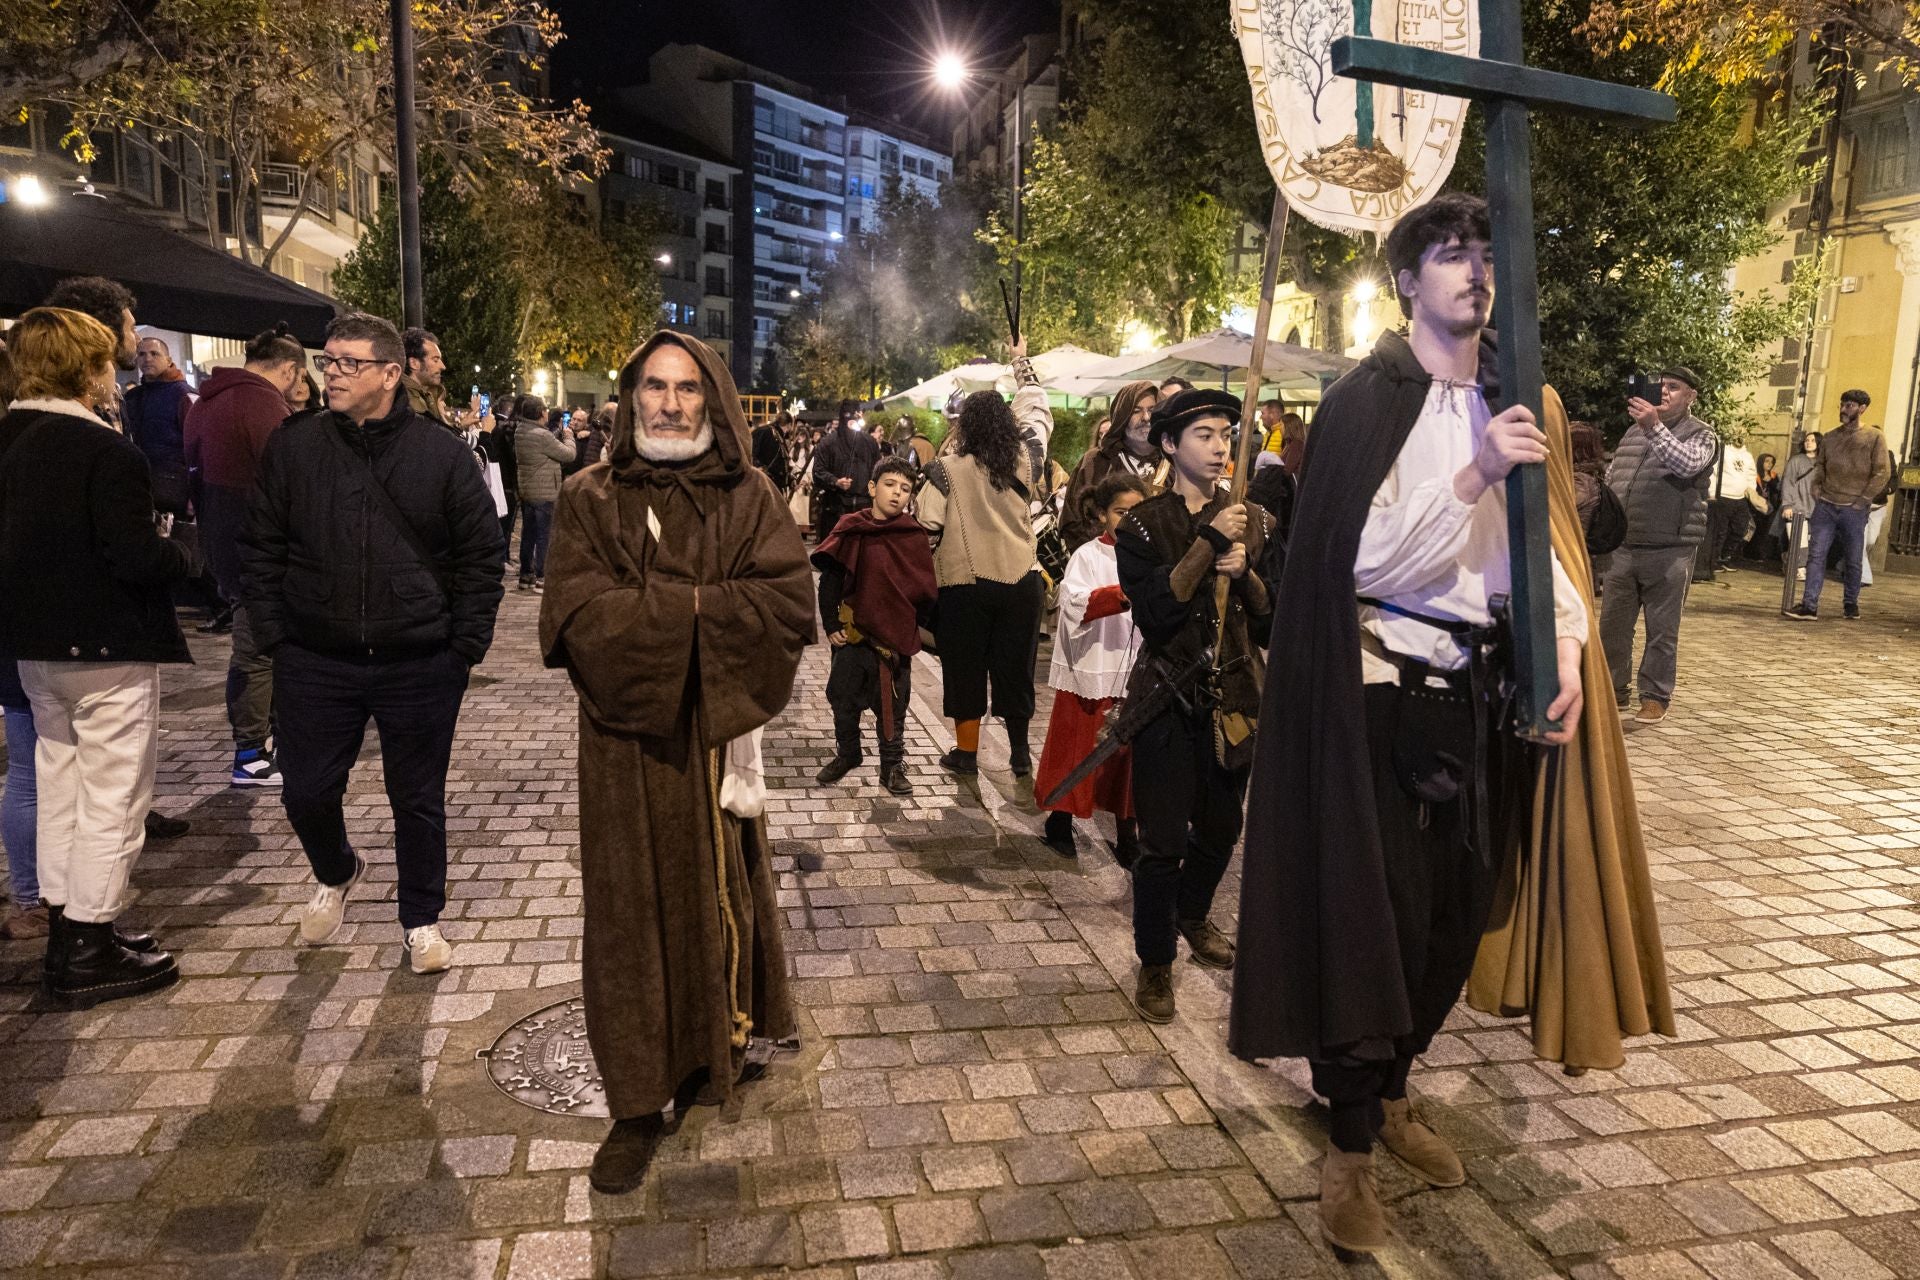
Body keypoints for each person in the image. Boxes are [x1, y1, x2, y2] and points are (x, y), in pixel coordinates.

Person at [1227, 193, 1593, 1252]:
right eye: (1448, 253)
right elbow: (1364, 561)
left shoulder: (1516, 399)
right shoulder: (1362, 401)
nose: (1473, 269)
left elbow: (1539, 553)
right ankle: (1347, 1154)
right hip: (1377, 703)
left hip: (1479, 705)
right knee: (1367, 921)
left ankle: (1392, 1093)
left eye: (1484, 252)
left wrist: (1565, 641)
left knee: (1450, 919)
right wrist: (1478, 469)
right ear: (1404, 282)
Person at [539, 330, 813, 1195]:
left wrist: (666, 610)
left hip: (715, 739)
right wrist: (701, 615)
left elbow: (784, 603)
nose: (669, 403)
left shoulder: (752, 493)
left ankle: (707, 1054)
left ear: (713, 400)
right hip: (624, 746)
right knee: (630, 914)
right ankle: (632, 1103)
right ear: (631, 397)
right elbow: (577, 618)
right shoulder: (590, 496)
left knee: (717, 896)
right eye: (654, 387)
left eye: (688, 389)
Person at [241, 312, 504, 976]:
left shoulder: (441, 454)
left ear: (391, 373)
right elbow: (263, 546)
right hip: (315, 654)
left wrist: (461, 649)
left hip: (418, 659)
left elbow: (480, 557)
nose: (331, 373)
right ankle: (338, 868)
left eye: (348, 363)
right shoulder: (294, 446)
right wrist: (277, 635)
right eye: (327, 361)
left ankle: (421, 921)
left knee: (416, 798)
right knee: (305, 789)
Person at [0, 306, 191, 1006]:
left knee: (61, 785)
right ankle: (88, 940)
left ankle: (69, 926)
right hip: (105, 645)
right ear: (89, 368)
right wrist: (182, 554)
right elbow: (136, 557)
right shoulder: (104, 451)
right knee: (113, 796)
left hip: (31, 646)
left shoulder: (9, 437)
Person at [1114, 391, 1275, 1024]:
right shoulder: (1143, 524)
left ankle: (1193, 915)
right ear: (1170, 445)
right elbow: (1156, 612)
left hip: (1235, 696)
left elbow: (1270, 619)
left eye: (1226, 435)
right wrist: (1209, 541)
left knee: (1220, 828)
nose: (1218, 447)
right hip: (1166, 697)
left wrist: (1248, 573)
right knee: (1160, 842)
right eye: (1204, 434)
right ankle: (1155, 963)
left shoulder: (1255, 521)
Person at [40, 277, 192, 843]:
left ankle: (58, 907)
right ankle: (78, 923)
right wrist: (178, 559)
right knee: (94, 788)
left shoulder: (105, 411)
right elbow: (124, 547)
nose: (139, 339)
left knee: (61, 777)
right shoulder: (88, 435)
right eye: (131, 328)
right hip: (96, 628)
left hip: (53, 629)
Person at [917, 341, 1054, 777]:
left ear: (966, 427)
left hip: (964, 585)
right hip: (1022, 581)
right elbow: (1038, 412)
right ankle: (1019, 754)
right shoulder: (1028, 457)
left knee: (965, 669)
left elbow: (927, 526)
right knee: (1017, 669)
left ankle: (967, 753)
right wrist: (1021, 362)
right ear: (1007, 422)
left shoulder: (945, 468)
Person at [186, 324, 307, 786]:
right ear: (292, 370)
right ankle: (251, 754)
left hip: (222, 540)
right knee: (257, 650)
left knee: (257, 645)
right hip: (259, 549)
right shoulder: (260, 403)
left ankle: (264, 743)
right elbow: (289, 479)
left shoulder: (208, 401)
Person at [1034, 473, 1150, 863]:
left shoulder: (1153, 555)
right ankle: (1060, 821)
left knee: (1127, 758)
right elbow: (1072, 604)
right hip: (1092, 667)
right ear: (1102, 514)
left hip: (1133, 668)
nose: (1130, 519)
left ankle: (1127, 832)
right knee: (1078, 749)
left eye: (1138, 511)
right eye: (1121, 512)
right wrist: (1118, 596)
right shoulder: (1088, 555)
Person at [812, 458, 938, 797]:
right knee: (842, 698)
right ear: (872, 487)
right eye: (890, 484)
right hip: (854, 636)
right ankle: (848, 754)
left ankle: (892, 767)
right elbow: (831, 579)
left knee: (892, 707)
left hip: (893, 640)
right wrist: (831, 622)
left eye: (905, 489)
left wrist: (911, 625)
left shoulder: (912, 535)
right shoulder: (852, 527)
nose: (897, 493)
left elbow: (924, 591)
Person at [1598, 366, 1713, 726]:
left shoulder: (1703, 435)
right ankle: (1612, 692)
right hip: (1625, 546)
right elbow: (1612, 478)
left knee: (1662, 630)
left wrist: (1654, 427)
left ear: (1691, 396)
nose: (1664, 392)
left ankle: (1654, 697)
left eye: (1674, 387)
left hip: (1670, 547)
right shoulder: (1633, 433)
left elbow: (1686, 465)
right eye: (1660, 386)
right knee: (1613, 626)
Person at [1786, 390, 1891, 621]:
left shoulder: (1874, 437)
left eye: (1850, 405)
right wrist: (1817, 488)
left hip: (1854, 508)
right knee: (1816, 555)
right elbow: (1820, 465)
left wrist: (1863, 500)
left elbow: (1882, 471)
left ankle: (1850, 604)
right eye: (1842, 404)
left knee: (1853, 557)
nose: (1844, 409)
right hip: (1826, 505)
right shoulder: (1831, 437)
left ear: (1862, 408)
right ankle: (1809, 605)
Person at [1060, 381, 1162, 550]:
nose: (1146, 418)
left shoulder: (1175, 461)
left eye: (1152, 410)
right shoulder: (1097, 461)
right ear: (1122, 416)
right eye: (1136, 411)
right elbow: (1073, 520)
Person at [124, 336, 196, 515]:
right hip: (140, 487)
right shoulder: (133, 397)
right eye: (142, 354)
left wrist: (194, 495)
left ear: (169, 360)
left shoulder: (185, 396)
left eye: (154, 353)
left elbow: (200, 448)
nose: (147, 358)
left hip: (175, 490)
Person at [512, 395, 575, 592]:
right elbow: (568, 454)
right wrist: (569, 437)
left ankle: (526, 575)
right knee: (544, 536)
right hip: (545, 492)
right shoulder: (542, 435)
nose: (547, 412)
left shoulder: (521, 431)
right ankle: (542, 576)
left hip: (528, 490)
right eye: (545, 409)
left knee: (528, 534)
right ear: (541, 413)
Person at [811, 400, 881, 545]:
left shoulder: (870, 443)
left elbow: (878, 470)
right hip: (836, 507)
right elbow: (818, 471)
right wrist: (835, 481)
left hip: (864, 507)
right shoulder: (828, 442)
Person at [1695, 436, 1757, 581]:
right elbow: (1715, 471)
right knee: (1720, 532)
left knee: (1742, 528)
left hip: (1740, 498)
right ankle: (1714, 561)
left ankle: (1725, 555)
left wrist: (1751, 492)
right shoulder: (1724, 451)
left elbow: (1751, 475)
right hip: (1723, 496)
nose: (1740, 437)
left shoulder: (1747, 456)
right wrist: (1711, 492)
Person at [401, 327, 452, 427]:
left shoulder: (423, 396)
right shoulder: (407, 401)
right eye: (435, 360)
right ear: (414, 363)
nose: (443, 366)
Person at [751, 411, 793, 491]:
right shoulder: (765, 432)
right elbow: (751, 454)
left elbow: (780, 464)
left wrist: (790, 479)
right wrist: (760, 469)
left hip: (773, 485)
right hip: (765, 485)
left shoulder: (778, 436)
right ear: (789, 425)